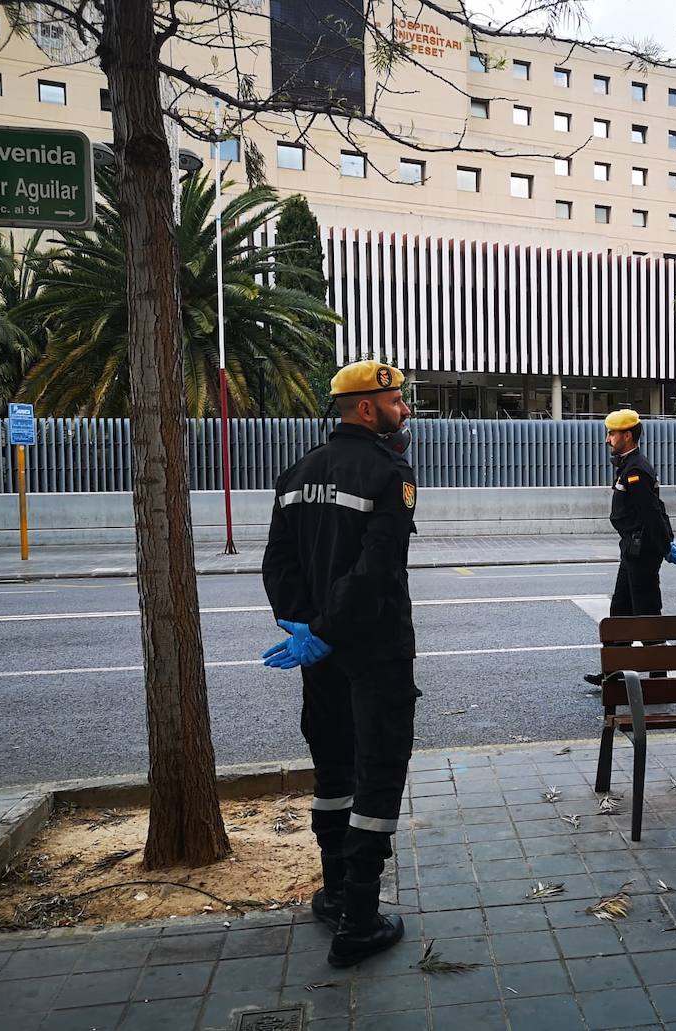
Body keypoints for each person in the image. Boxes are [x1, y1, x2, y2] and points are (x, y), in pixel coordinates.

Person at [260, 359, 420, 969]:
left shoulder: (296, 473)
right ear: (365, 408)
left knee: (332, 769)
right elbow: (376, 572)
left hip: (319, 653)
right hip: (375, 649)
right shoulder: (389, 473)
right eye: (395, 400)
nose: (402, 409)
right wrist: (327, 630)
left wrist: (303, 628)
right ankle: (358, 920)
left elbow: (279, 564)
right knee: (378, 773)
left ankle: (331, 892)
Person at [583, 409, 676, 688]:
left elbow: (651, 512)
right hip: (631, 551)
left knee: (646, 613)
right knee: (621, 612)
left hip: (641, 552)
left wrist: (664, 546)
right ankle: (613, 673)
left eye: (612, 434)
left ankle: (658, 677)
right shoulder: (628, 465)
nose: (607, 439)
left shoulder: (636, 469)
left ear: (627, 435)